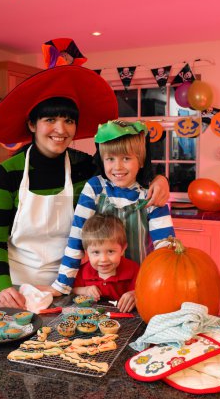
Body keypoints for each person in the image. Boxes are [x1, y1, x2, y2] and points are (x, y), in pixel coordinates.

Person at [0, 47, 170, 309]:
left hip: (69, 284)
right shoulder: (7, 174)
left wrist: (159, 179)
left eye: (69, 121)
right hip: (15, 284)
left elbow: (125, 171)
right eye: (50, 119)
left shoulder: (84, 167)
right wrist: (3, 287)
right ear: (32, 124)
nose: (61, 130)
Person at [56, 119, 175, 294]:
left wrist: (145, 289)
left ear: (141, 160)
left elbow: (165, 249)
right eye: (110, 159)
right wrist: (62, 285)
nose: (117, 167)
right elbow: (76, 240)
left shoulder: (150, 193)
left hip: (140, 286)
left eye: (126, 158)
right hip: (101, 287)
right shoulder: (95, 188)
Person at [73, 214, 139, 313]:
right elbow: (71, 289)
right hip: (92, 318)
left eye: (110, 251)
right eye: (96, 252)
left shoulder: (133, 270)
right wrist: (85, 290)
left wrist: (135, 294)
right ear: (87, 252)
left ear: (123, 249)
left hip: (125, 318)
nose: (103, 259)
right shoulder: (83, 271)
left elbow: (145, 291)